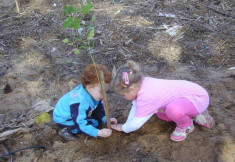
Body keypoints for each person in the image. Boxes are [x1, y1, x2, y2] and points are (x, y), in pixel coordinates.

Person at [111, 60, 214, 142]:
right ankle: (194, 114)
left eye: (124, 95)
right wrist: (126, 124)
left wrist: (124, 128)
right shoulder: (142, 83)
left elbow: (137, 123)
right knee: (160, 113)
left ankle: (186, 125)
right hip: (187, 98)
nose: (124, 97)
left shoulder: (147, 97)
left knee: (172, 110)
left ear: (131, 89)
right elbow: (136, 107)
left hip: (198, 98)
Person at [53, 64, 117, 141]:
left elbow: (99, 110)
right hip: (64, 120)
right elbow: (80, 123)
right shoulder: (79, 102)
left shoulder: (95, 94)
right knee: (93, 124)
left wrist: (106, 119)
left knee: (97, 121)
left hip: (76, 114)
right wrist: (98, 132)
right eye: (101, 92)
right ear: (89, 87)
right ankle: (66, 131)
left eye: (105, 92)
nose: (104, 95)